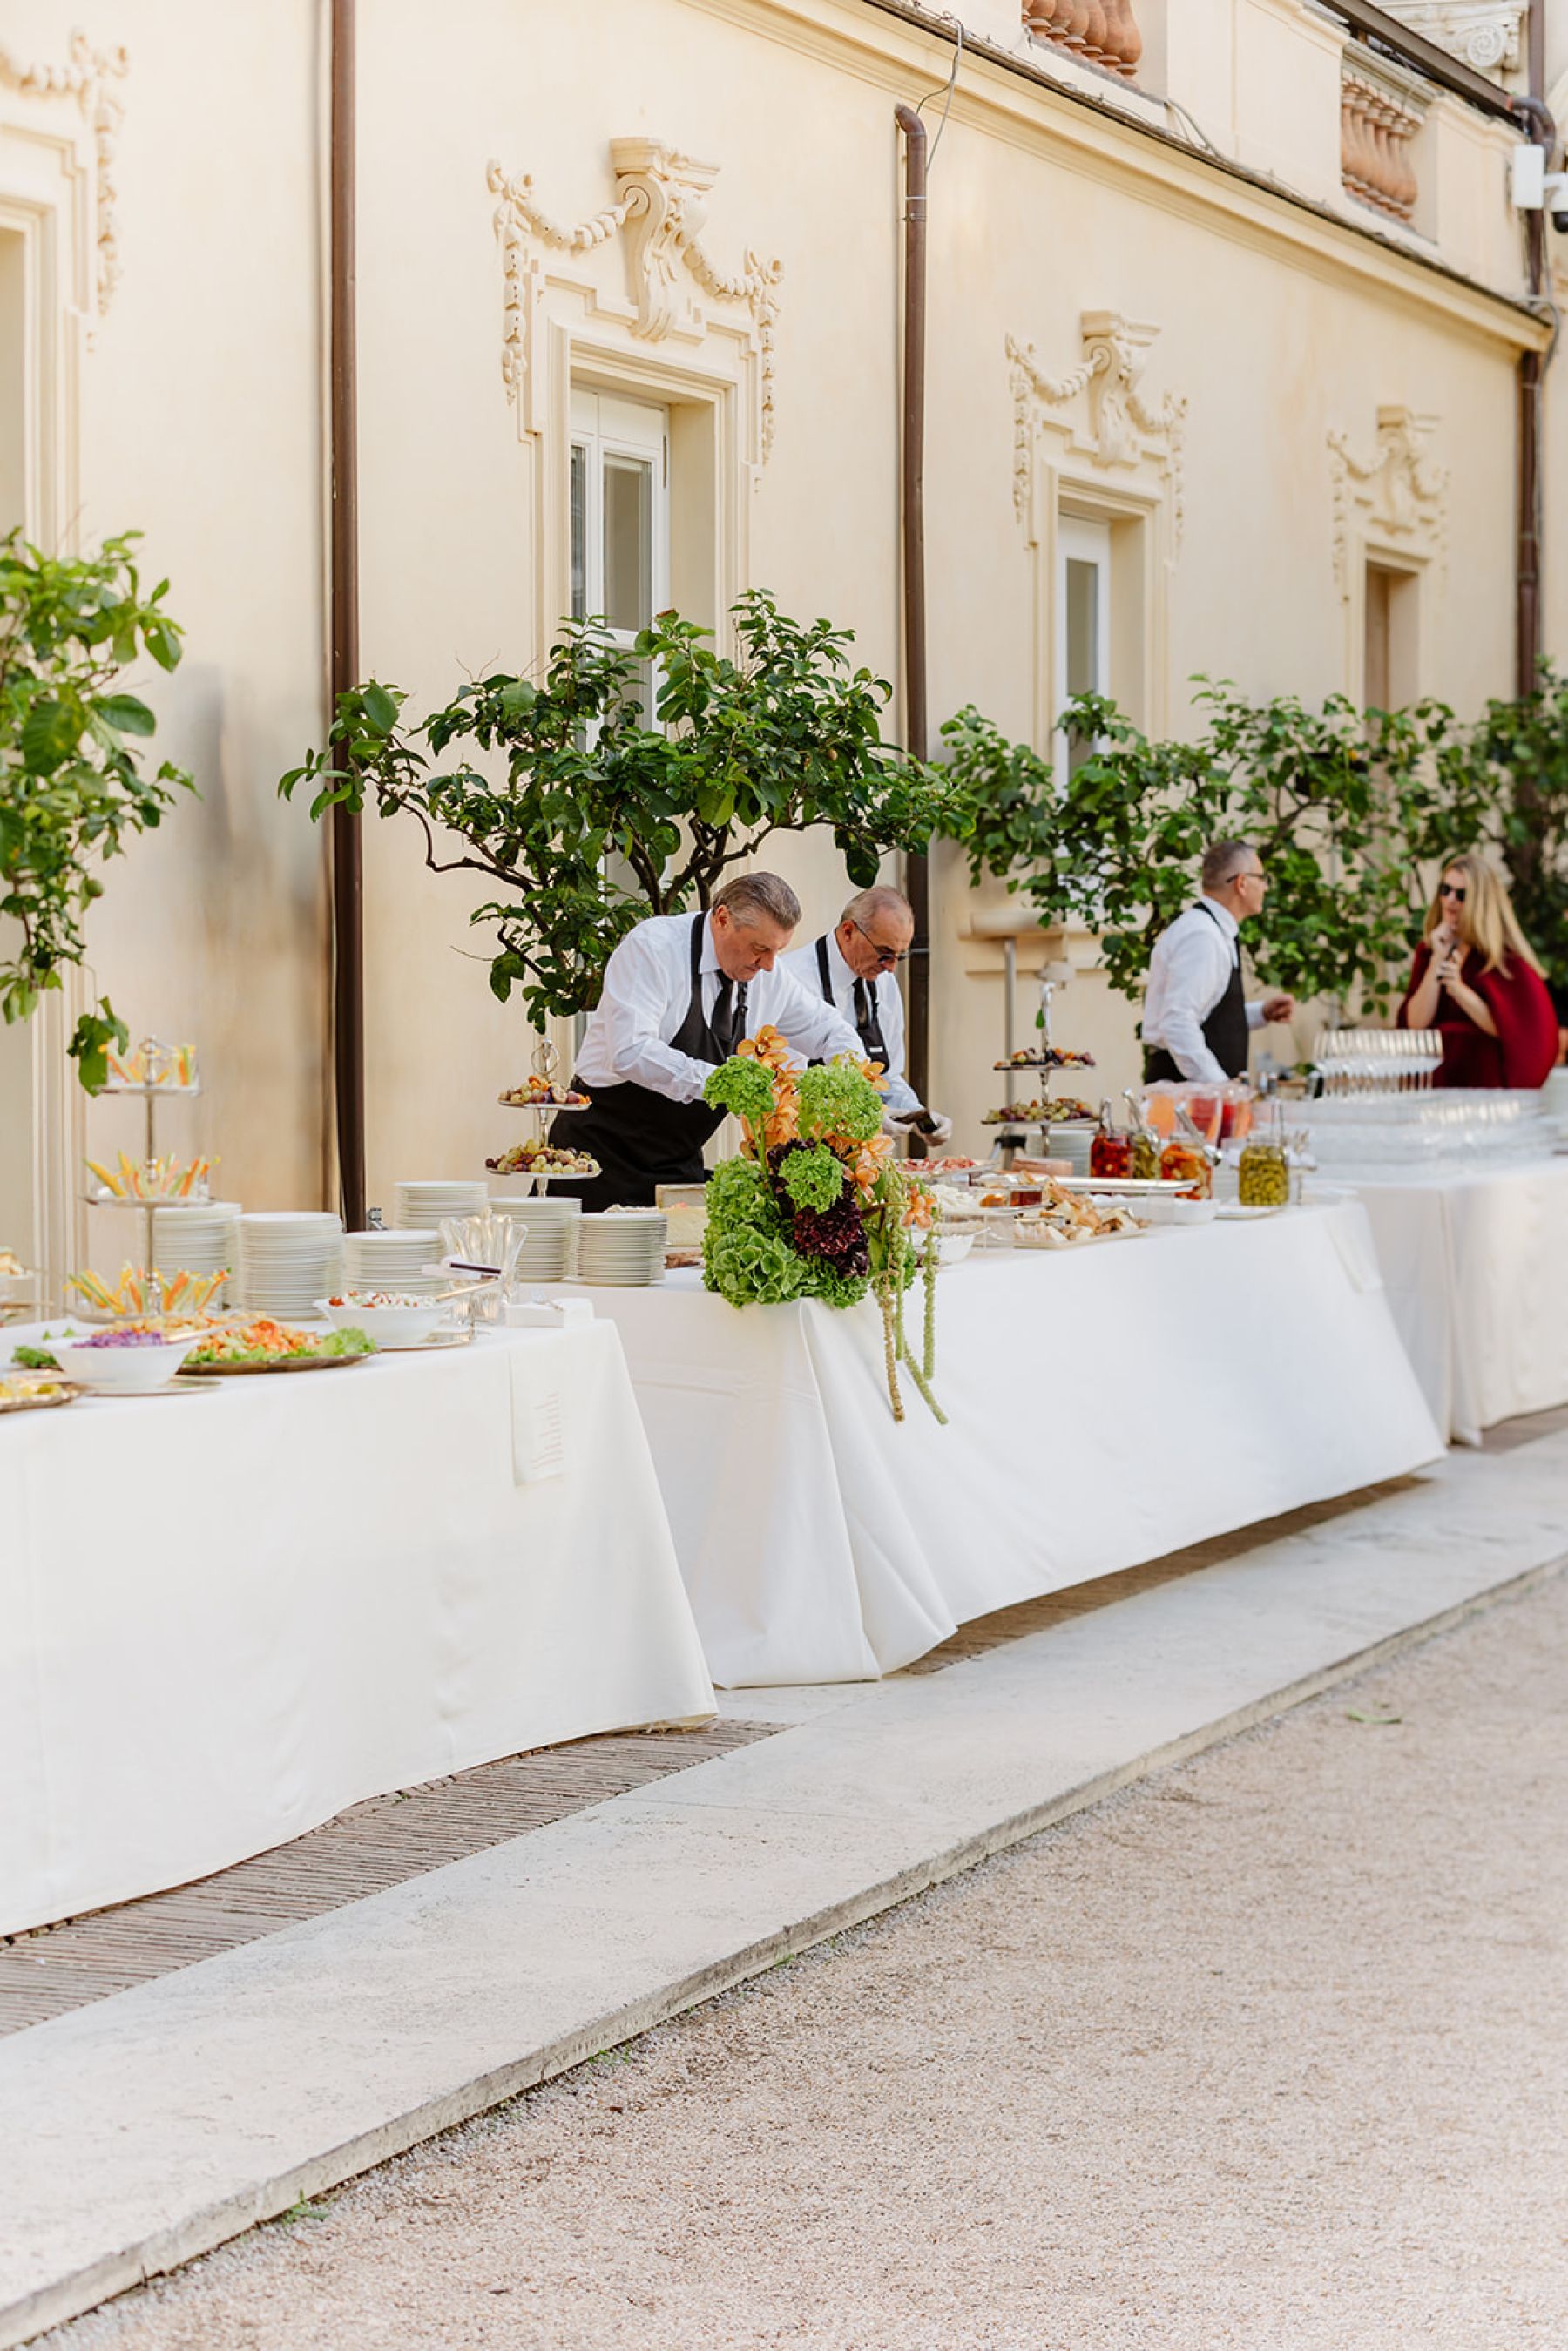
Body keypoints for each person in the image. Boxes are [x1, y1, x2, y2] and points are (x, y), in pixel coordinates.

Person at [552, 872, 867, 1210]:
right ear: (722, 919)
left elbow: (830, 1030)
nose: (769, 964)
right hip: (598, 1157)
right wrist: (720, 1084)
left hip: (677, 1167)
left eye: (778, 950)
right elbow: (630, 1051)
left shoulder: (769, 976)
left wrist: (848, 1080)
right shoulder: (654, 948)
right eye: (760, 948)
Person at [781, 885, 953, 1145]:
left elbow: (888, 1075)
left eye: (899, 957)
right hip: (801, 1149)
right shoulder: (792, 979)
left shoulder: (882, 981)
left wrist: (916, 1114)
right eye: (884, 954)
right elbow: (789, 1089)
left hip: (865, 1161)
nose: (891, 968)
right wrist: (866, 1115)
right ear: (849, 931)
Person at [1141, 841, 1296, 1084]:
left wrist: (1262, 1013)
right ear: (1242, 883)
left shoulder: (1214, 931)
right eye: (1261, 878)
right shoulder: (1201, 935)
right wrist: (1222, 1089)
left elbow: (1210, 1017)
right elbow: (1177, 1022)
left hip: (1202, 1097)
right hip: (1188, 1099)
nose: (1265, 887)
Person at [1396, 853, 1557, 1089]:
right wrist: (1436, 961)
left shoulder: (1503, 960)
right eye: (1446, 890)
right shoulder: (1429, 950)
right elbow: (1416, 1024)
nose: (1451, 900)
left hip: (1484, 1089)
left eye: (1461, 895)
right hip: (1436, 1085)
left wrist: (1459, 990)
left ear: (1479, 902)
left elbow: (1514, 1032)